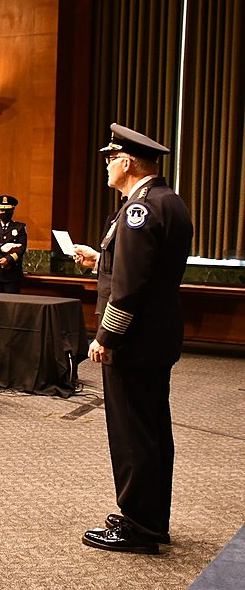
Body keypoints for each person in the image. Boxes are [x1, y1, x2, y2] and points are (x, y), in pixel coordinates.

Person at [74, 124, 192, 555]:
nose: (106, 165)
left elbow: (130, 286)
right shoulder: (168, 201)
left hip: (134, 340)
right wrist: (98, 261)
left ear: (126, 162)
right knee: (153, 428)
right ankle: (151, 516)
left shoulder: (139, 209)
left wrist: (107, 335)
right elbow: (141, 270)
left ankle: (138, 525)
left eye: (110, 158)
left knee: (133, 433)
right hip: (157, 335)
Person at [0, 195, 27, 293]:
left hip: (12, 274)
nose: (4, 213)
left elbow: (22, 248)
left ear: (12, 211)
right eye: (1, 210)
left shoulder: (19, 227)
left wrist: (9, 259)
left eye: (7, 211)